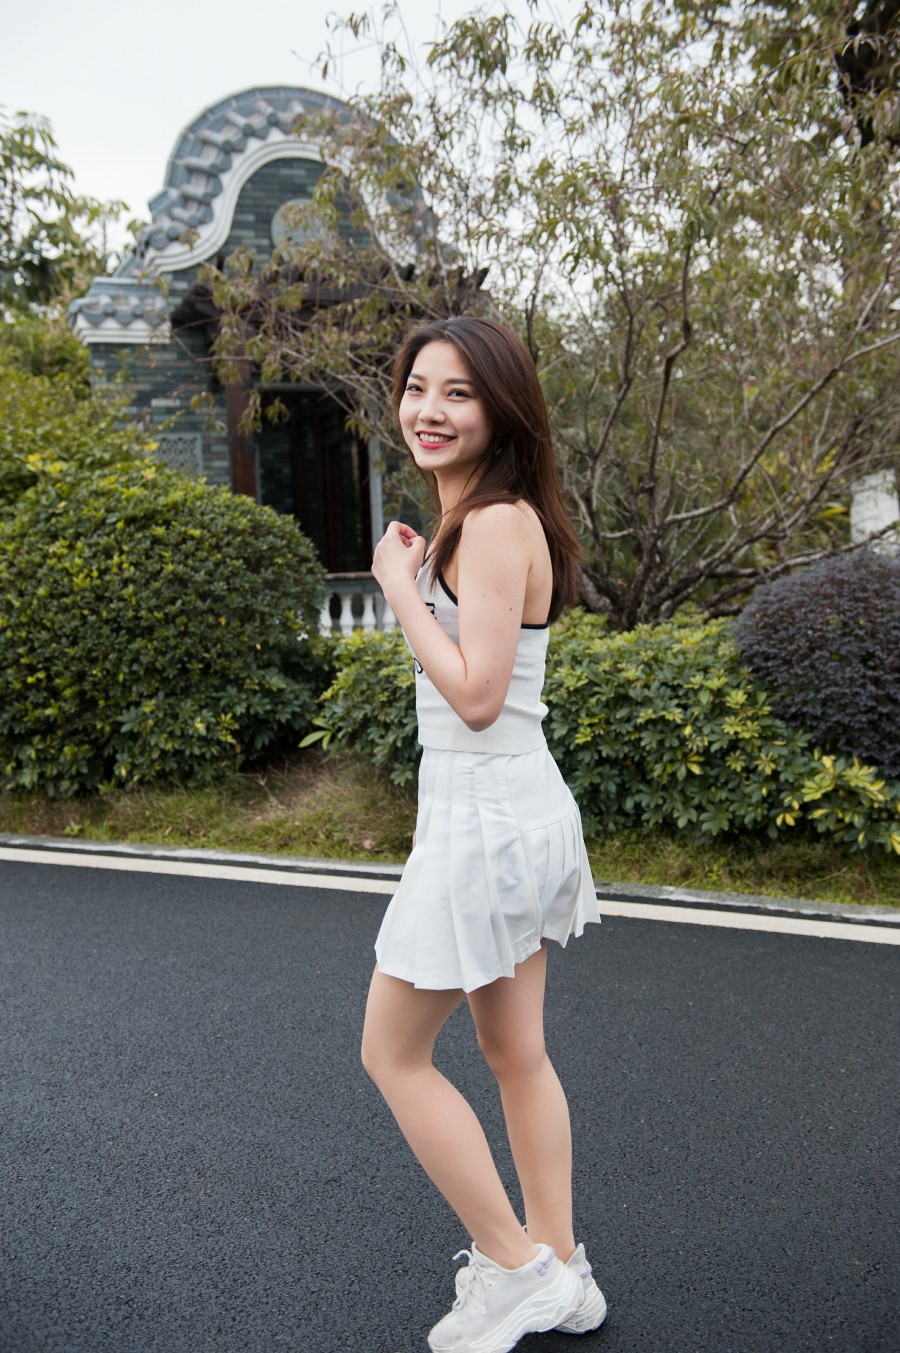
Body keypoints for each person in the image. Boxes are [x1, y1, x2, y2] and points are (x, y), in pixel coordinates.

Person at [363, 316, 605, 1353]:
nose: (429, 409)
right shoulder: (480, 521)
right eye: (418, 387)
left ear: (501, 410)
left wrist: (396, 590)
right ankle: (563, 1269)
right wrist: (421, 579)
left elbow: (475, 696)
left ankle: (514, 1270)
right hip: (508, 811)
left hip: (487, 824)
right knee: (513, 1050)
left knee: (392, 1052)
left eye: (458, 392)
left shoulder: (497, 523)